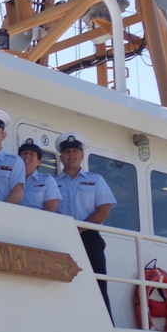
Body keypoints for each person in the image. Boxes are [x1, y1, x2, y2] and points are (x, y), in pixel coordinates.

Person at [55, 132, 117, 318]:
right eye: (67, 152)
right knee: (61, 285)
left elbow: (104, 210)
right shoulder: (52, 183)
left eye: (75, 151)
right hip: (60, 239)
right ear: (61, 157)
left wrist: (79, 229)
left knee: (98, 286)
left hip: (90, 239)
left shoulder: (96, 180)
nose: (71, 155)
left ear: (82, 155)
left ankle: (105, 323)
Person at [18, 139, 61, 213]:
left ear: (39, 162)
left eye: (32, 154)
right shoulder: (10, 178)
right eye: (24, 153)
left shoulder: (47, 180)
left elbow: (50, 212)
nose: (27, 156)